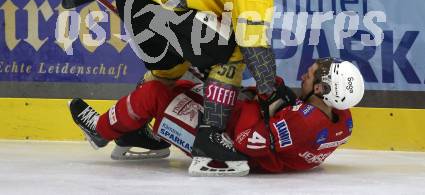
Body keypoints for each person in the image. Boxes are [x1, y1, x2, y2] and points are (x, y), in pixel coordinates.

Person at [68, 0, 301, 176]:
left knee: (173, 65)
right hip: (158, 2)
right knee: (231, 49)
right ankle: (209, 139)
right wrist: (270, 92)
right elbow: (253, 40)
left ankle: (129, 130)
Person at [68, 57, 365, 175]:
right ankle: (141, 136)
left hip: (224, 147)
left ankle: (101, 132)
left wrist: (263, 102)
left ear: (323, 89)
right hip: (240, 126)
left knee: (154, 93)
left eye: (310, 76)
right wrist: (265, 98)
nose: (303, 76)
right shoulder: (340, 117)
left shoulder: (304, 122)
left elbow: (247, 141)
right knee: (181, 83)